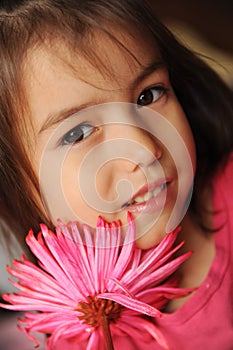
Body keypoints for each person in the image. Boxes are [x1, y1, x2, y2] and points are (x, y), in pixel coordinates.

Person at [0, 0, 232, 349]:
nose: (141, 147)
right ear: (19, 187)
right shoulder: (79, 338)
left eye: (147, 95)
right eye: (77, 133)